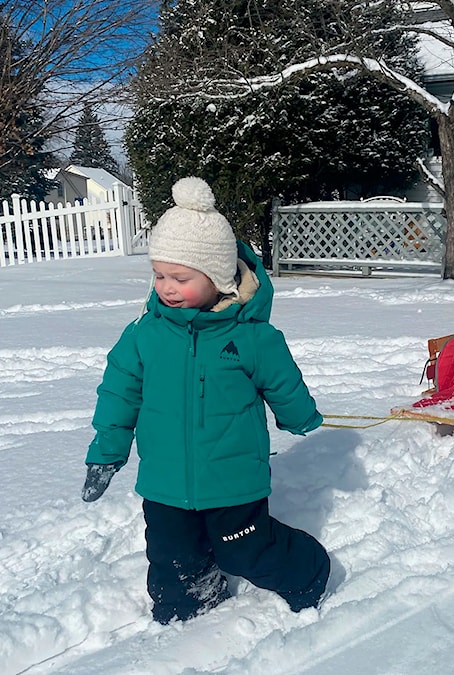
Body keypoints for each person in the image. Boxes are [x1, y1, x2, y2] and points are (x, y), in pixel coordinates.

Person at [82, 176, 330, 624]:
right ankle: (187, 613)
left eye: (181, 277)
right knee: (171, 555)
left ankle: (307, 571)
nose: (167, 287)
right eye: (159, 274)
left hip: (234, 476)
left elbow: (282, 381)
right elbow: (119, 394)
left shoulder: (252, 336)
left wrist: (299, 416)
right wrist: (106, 453)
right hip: (164, 480)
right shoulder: (144, 334)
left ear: (217, 278)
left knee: (244, 549)